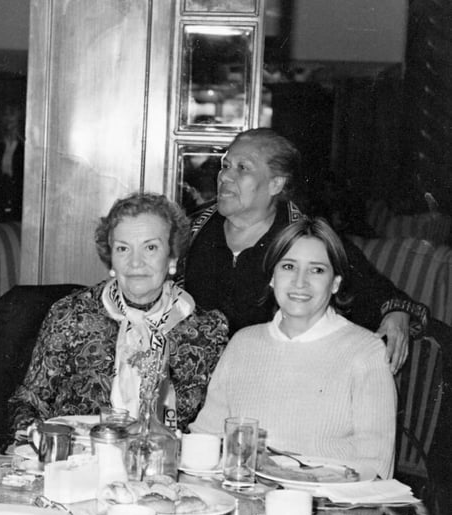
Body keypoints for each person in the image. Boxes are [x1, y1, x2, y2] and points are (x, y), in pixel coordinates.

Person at [182, 128, 428, 374]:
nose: (225, 176)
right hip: (197, 380)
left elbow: (372, 287)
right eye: (225, 165)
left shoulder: (304, 236)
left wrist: (396, 312)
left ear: (276, 183)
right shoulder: (194, 229)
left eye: (242, 168)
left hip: (276, 377)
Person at [190, 217, 396, 479]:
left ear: (335, 283)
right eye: (288, 266)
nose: (300, 282)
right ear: (273, 277)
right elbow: (206, 439)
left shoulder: (366, 352)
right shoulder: (242, 344)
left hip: (331, 511)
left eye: (317, 270)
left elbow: (376, 468)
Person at [10, 192, 228, 431]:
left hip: (164, 463)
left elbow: (216, 422)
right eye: (123, 249)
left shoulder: (206, 330)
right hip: (81, 460)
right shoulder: (72, 315)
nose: (135, 262)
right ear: (111, 260)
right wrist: (34, 433)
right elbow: (28, 401)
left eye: (151, 248)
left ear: (172, 257)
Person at [0, 103, 24, 220]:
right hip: (1, 198)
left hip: (18, 200)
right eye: (7, 121)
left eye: (13, 122)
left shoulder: (23, 148)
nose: (10, 126)